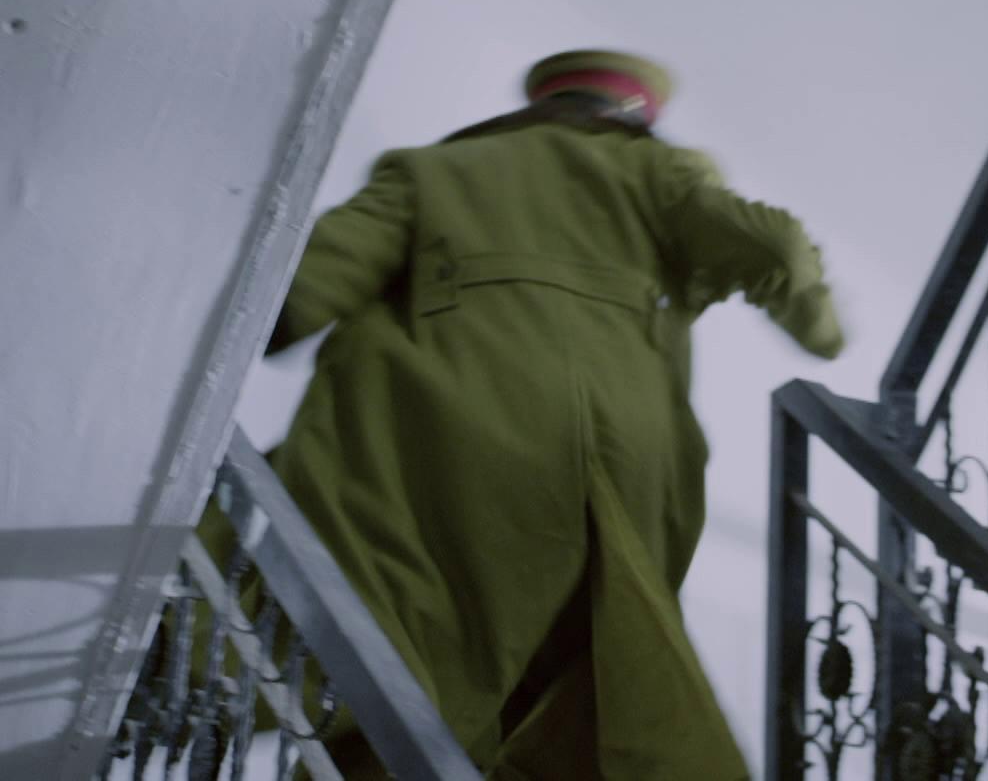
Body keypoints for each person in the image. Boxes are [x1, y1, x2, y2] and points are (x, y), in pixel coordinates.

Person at [250, 49, 843, 778]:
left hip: (437, 440)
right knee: (597, 668)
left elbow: (296, 291)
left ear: (541, 105)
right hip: (619, 455)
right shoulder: (659, 174)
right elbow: (776, 246)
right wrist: (819, 326)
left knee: (411, 653)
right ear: (634, 118)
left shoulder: (430, 172)